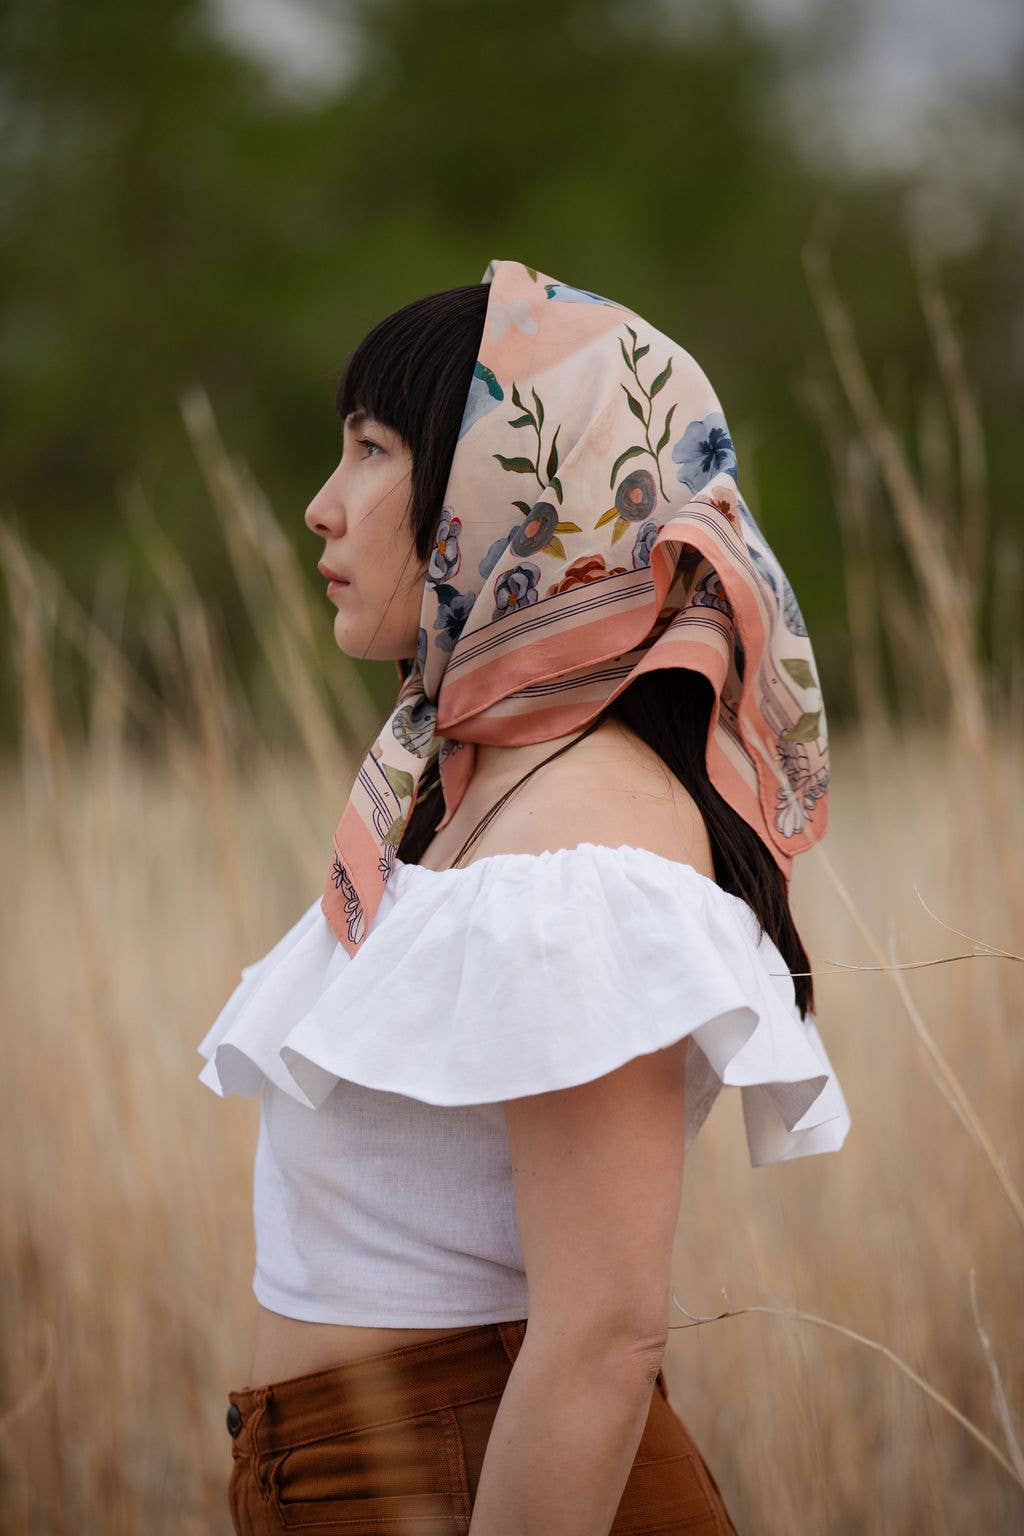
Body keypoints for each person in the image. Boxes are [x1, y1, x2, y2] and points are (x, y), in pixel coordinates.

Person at [198, 257, 851, 1535]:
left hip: (473, 1476)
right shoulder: (475, 796)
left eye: (372, 451)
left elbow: (603, 1335)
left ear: (512, 494)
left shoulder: (584, 838)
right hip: (364, 1471)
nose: (322, 508)